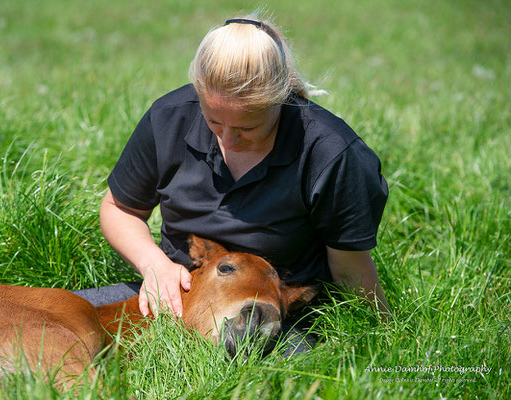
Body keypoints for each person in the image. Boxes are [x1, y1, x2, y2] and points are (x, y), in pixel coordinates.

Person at [75, 15, 390, 336]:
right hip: (175, 290)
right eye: (213, 122)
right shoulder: (169, 118)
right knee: (45, 322)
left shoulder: (332, 153)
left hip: (267, 312)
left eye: (247, 128)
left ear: (281, 102)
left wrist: (382, 336)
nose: (227, 141)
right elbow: (120, 209)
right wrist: (154, 266)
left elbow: (350, 268)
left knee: (260, 369)